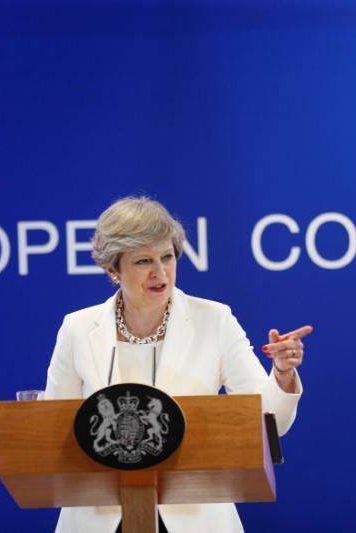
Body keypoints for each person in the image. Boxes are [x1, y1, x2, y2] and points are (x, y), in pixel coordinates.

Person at [43, 196, 312, 533]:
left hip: (194, 516)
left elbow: (268, 420)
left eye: (167, 257)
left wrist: (283, 373)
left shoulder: (214, 320)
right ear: (113, 270)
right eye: (143, 261)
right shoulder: (78, 328)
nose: (160, 272)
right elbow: (50, 428)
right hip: (98, 517)